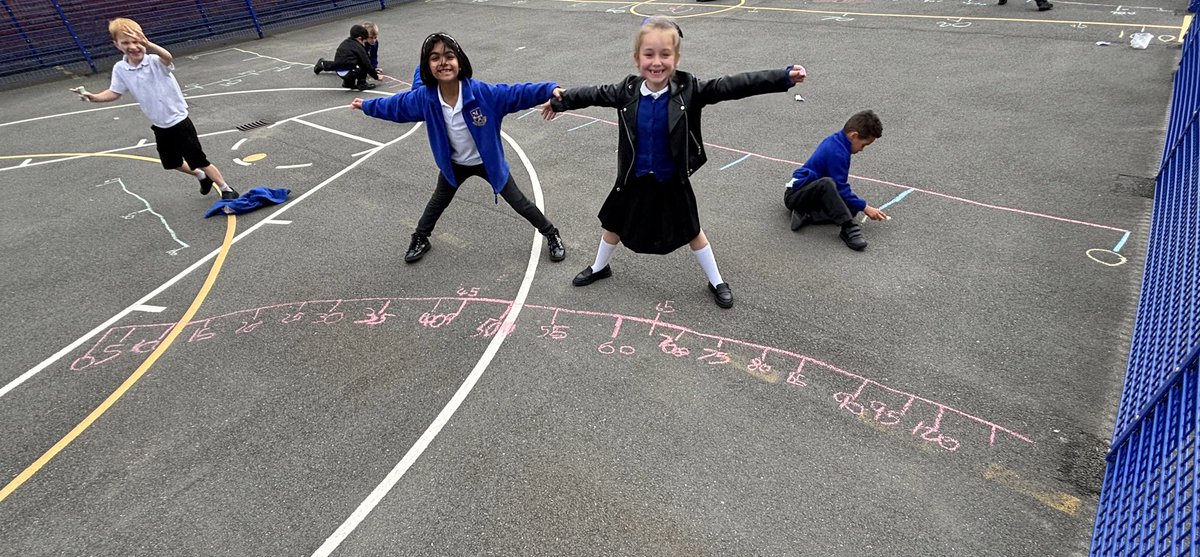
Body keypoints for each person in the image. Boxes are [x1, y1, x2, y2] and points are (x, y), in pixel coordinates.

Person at [543, 16, 806, 309]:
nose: (657, 62)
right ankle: (599, 267)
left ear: (676, 58)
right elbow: (591, 93)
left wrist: (782, 78)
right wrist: (560, 101)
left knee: (693, 230)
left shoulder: (690, 89)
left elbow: (733, 85)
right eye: (649, 54)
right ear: (636, 59)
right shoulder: (626, 91)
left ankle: (717, 280)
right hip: (634, 177)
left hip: (671, 179)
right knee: (614, 224)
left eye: (665, 54)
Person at [350, 32, 567, 264]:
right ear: (427, 66)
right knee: (437, 202)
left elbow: (518, 92)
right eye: (434, 58)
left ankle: (551, 233)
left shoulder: (484, 94)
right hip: (454, 165)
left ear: (460, 61)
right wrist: (367, 105)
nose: (443, 62)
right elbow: (395, 106)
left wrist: (550, 89)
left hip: (488, 163)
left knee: (519, 202)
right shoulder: (425, 98)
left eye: (449, 56)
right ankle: (421, 237)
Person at [77, 18, 238, 200]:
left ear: (144, 40)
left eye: (137, 41)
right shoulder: (121, 69)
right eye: (126, 42)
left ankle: (226, 188)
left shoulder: (154, 61)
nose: (133, 46)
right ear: (116, 45)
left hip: (179, 121)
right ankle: (201, 176)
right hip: (160, 125)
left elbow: (167, 57)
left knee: (198, 159)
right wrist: (94, 97)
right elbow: (114, 92)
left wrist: (149, 44)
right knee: (172, 162)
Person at [785, 110, 885, 251]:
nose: (862, 149)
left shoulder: (840, 144)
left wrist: (858, 206)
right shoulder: (836, 152)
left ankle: (807, 215)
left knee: (851, 208)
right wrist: (865, 207)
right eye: (863, 145)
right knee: (828, 183)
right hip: (796, 195)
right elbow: (840, 187)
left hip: (814, 196)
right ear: (853, 135)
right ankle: (848, 228)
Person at [313, 24, 379, 91]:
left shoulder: (346, 42)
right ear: (360, 38)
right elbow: (366, 62)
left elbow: (373, 56)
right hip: (349, 71)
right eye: (368, 39)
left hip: (340, 70)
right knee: (361, 63)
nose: (373, 40)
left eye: (375, 38)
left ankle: (348, 83)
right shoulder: (358, 47)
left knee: (347, 62)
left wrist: (374, 67)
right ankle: (362, 84)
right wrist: (376, 76)